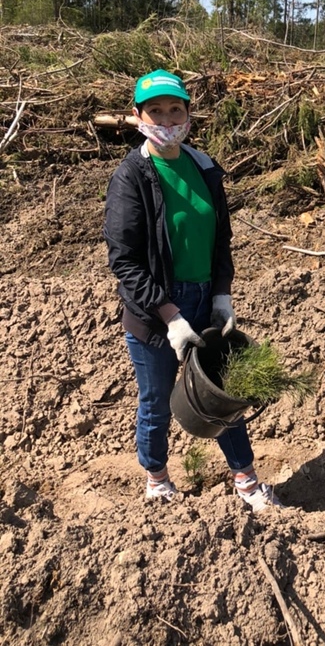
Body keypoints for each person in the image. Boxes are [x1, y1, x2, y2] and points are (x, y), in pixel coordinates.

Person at [104, 69, 282, 510]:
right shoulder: (132, 176)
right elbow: (124, 261)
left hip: (203, 299)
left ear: (188, 114)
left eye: (175, 110)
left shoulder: (204, 167)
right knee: (156, 402)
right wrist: (169, 316)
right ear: (138, 116)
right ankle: (158, 481)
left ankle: (247, 482)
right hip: (153, 311)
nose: (167, 120)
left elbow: (221, 239)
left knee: (224, 392)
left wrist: (221, 293)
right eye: (156, 111)